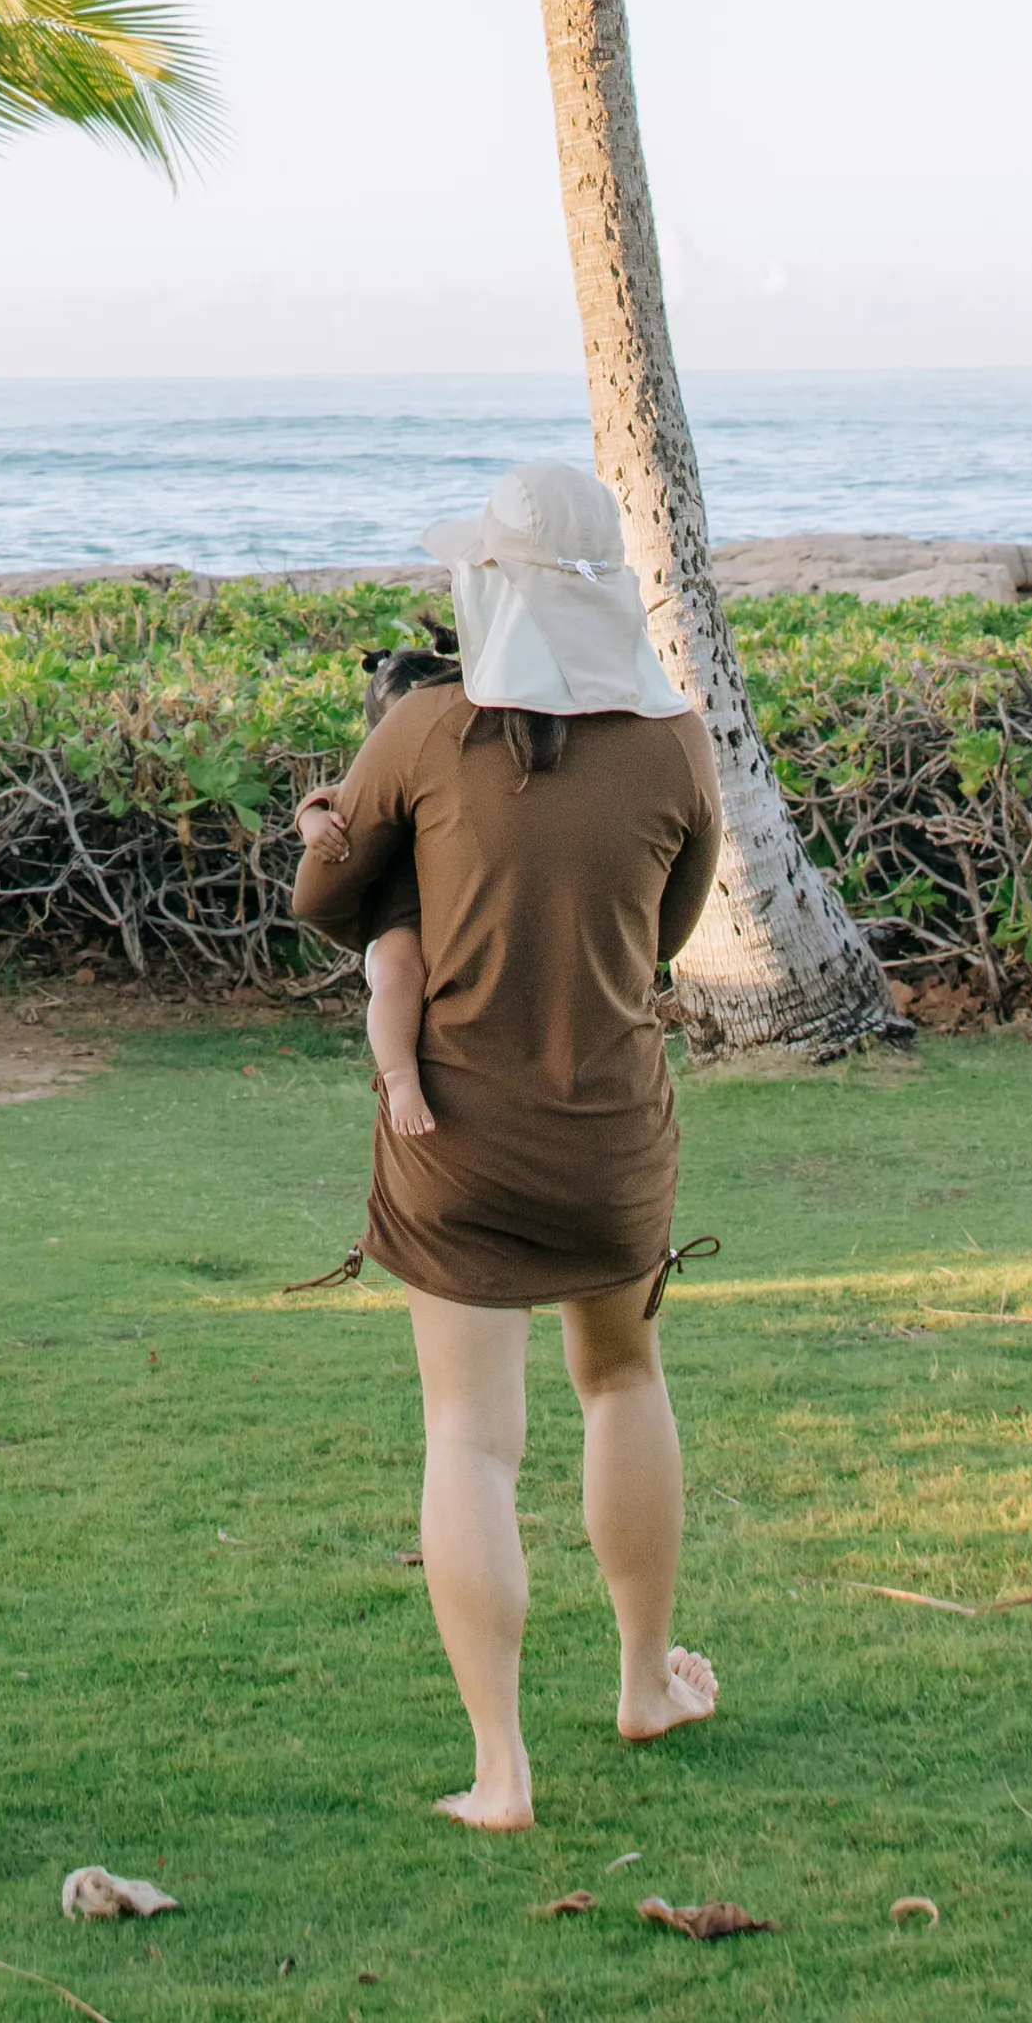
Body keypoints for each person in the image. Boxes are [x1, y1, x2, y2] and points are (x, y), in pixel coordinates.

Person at [293, 462, 725, 1833]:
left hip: (456, 1140)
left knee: (469, 1437)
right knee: (622, 1380)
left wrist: (326, 832)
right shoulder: (673, 747)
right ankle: (645, 1680)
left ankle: (499, 1769)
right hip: (607, 1132)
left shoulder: (423, 731)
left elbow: (328, 900)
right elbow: (660, 933)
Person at [300, 635, 461, 1141]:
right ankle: (400, 1077)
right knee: (399, 971)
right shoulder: (376, 773)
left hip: (454, 911)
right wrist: (311, 821)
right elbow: (331, 799)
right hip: (402, 919)